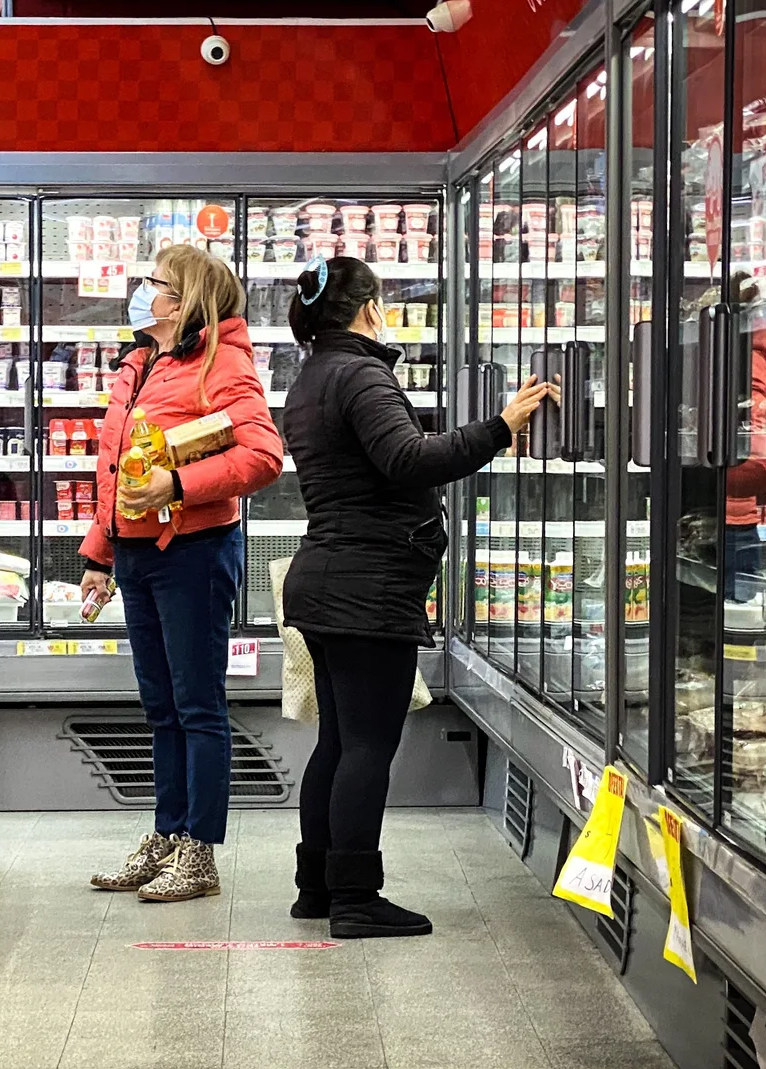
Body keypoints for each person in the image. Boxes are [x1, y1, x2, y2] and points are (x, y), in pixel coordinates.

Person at [278, 256, 553, 937]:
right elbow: (408, 458)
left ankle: (317, 886)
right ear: (369, 309)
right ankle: (356, 898)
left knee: (338, 742)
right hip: (368, 586)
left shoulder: (310, 376)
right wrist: (500, 426)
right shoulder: (362, 372)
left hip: (326, 579)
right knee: (369, 743)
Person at [81, 245, 283, 902]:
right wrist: (99, 555)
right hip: (136, 554)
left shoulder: (222, 364)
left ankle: (199, 849)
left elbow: (262, 455)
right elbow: (115, 468)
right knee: (161, 706)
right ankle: (167, 834)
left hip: (194, 552)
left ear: (185, 301)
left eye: (154, 283)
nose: (142, 292)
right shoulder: (140, 363)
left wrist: (180, 482)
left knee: (198, 706)